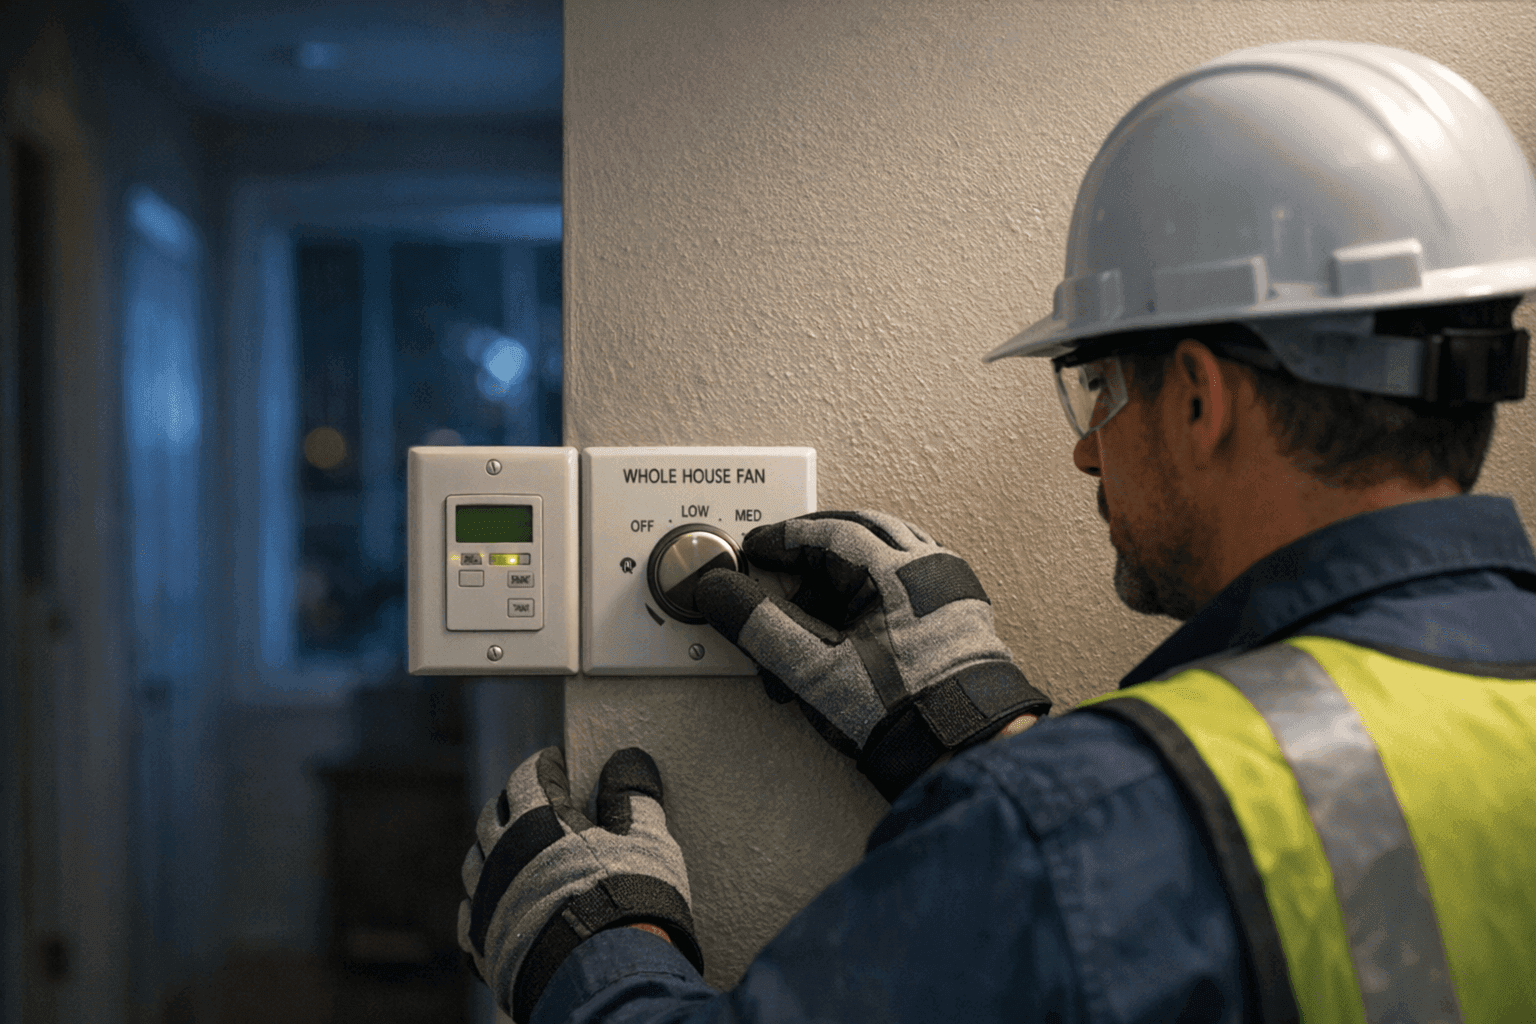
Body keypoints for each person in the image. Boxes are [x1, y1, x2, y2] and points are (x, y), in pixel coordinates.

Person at [456, 41, 1536, 1023]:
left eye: (1099, 387)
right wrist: (982, 743)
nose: (1085, 450)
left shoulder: (1072, 828)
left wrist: (595, 961)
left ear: (1203, 400)